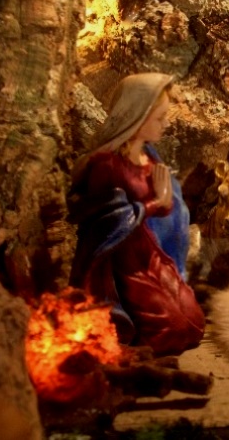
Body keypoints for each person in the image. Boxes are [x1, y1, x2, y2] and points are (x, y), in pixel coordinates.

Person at [67, 73, 205, 355]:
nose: (166, 124)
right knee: (173, 329)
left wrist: (165, 203)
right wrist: (155, 203)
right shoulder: (108, 165)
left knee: (193, 323)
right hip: (123, 264)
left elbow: (169, 209)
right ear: (137, 117)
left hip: (152, 253)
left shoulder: (150, 156)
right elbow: (106, 221)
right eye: (159, 118)